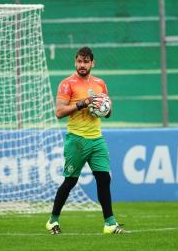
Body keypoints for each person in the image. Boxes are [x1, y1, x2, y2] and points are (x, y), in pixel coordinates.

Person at [45, 46, 125, 234]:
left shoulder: (100, 83)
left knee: (104, 178)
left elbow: (108, 112)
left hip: (97, 138)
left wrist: (104, 107)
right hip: (77, 139)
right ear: (75, 62)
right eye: (79, 61)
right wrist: (83, 103)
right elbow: (59, 112)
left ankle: (110, 224)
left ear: (92, 63)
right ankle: (52, 220)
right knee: (70, 181)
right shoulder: (67, 83)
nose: (82, 65)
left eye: (86, 61)